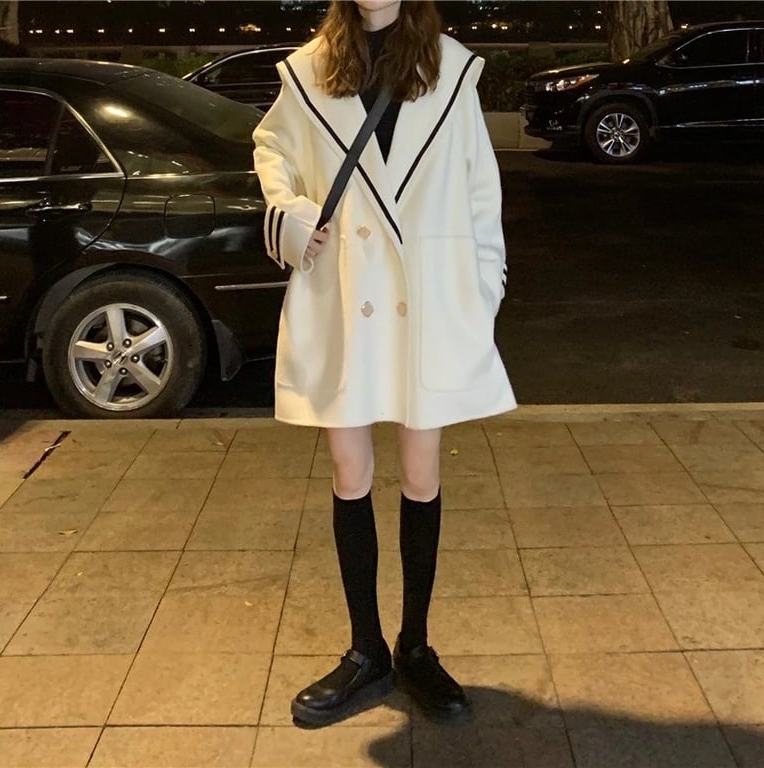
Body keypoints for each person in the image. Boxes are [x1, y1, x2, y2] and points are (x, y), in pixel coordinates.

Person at [252, 0, 516, 727]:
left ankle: (415, 647)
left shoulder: (451, 67)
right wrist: (289, 217)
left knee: (422, 476)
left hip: (427, 302)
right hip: (345, 297)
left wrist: (483, 291)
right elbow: (272, 149)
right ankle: (366, 649)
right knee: (351, 474)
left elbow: (480, 191)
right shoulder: (311, 68)